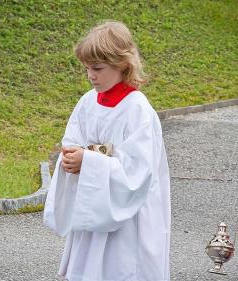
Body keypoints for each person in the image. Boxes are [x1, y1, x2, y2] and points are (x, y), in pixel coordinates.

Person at [43, 20, 171, 281]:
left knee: (120, 269)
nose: (91, 75)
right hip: (92, 206)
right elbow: (73, 139)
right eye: (87, 68)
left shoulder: (137, 110)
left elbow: (138, 172)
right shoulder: (88, 101)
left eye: (98, 68)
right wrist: (71, 158)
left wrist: (88, 162)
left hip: (126, 217)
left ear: (123, 64)